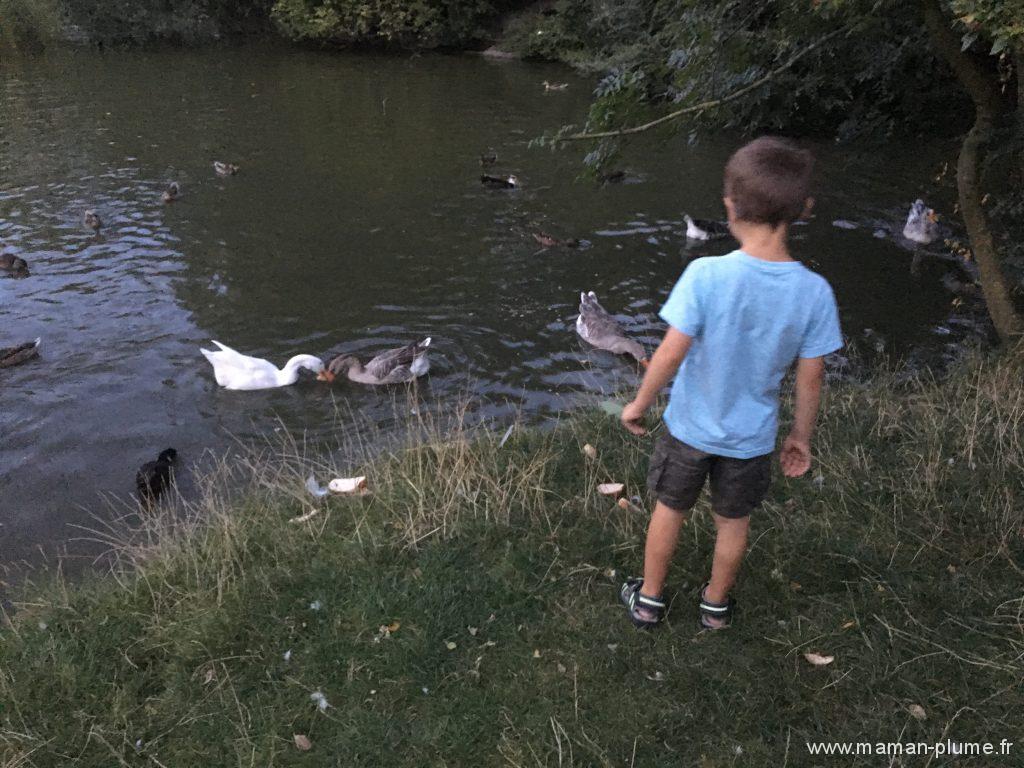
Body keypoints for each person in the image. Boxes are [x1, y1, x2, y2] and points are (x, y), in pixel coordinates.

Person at [618, 136, 842, 630]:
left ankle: (650, 600)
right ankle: (716, 606)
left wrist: (640, 403)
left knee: (669, 510)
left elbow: (670, 353)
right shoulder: (815, 292)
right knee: (733, 523)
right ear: (804, 209)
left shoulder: (705, 274)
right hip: (750, 439)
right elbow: (812, 375)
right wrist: (800, 436)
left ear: (729, 207)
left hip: (690, 430)